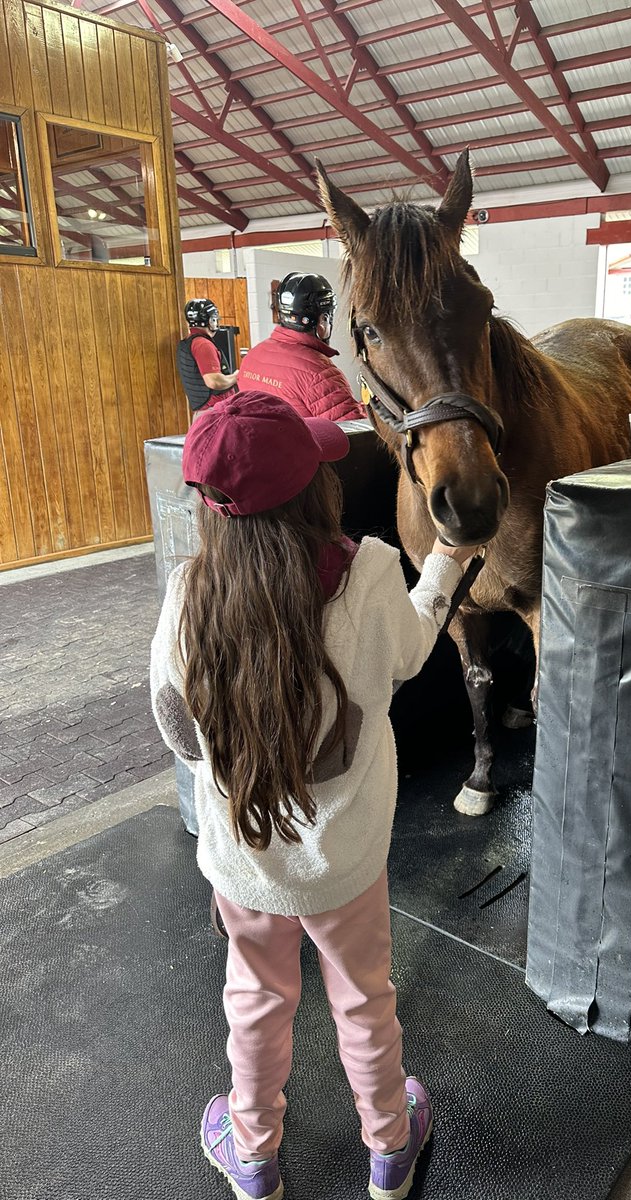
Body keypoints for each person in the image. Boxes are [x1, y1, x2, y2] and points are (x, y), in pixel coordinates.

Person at [149, 390, 478, 1200]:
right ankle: (390, 1148)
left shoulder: (190, 592)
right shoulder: (368, 571)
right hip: (348, 864)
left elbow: (176, 726)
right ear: (316, 492)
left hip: (246, 864)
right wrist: (446, 558)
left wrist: (241, 772)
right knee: (365, 999)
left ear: (213, 509)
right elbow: (410, 649)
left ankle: (255, 1157)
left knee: (255, 1002)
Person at [237, 272, 365, 422]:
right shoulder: (320, 373)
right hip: (303, 445)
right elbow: (352, 431)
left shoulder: (252, 357)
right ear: (324, 319)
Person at [177, 299, 239, 419]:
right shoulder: (203, 345)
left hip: (205, 413)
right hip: (214, 413)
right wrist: (236, 376)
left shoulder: (190, 342)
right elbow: (214, 381)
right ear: (210, 320)